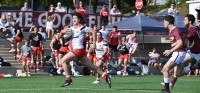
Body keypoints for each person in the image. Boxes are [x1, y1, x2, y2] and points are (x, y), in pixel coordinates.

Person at [60, 12, 111, 88]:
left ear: (79, 19)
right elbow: (62, 32)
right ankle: (105, 75)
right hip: (80, 51)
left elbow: (93, 31)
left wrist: (93, 44)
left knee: (63, 60)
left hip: (78, 50)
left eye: (75, 18)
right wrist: (62, 33)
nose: (74, 19)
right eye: (73, 18)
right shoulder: (71, 28)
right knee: (91, 66)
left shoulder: (82, 27)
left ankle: (68, 79)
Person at [161, 14, 200, 90]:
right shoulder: (195, 28)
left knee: (166, 68)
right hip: (190, 52)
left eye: (185, 20)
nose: (183, 21)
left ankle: (167, 88)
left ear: (190, 21)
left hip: (195, 52)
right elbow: (198, 25)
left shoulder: (191, 30)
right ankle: (171, 84)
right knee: (179, 72)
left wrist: (172, 48)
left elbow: (182, 42)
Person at [160, 15, 186, 93]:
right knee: (178, 73)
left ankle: (166, 90)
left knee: (165, 68)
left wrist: (170, 51)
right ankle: (167, 88)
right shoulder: (171, 30)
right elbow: (180, 41)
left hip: (179, 53)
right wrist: (174, 45)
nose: (163, 23)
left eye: (164, 22)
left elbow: (180, 43)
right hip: (178, 53)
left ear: (168, 22)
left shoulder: (175, 30)